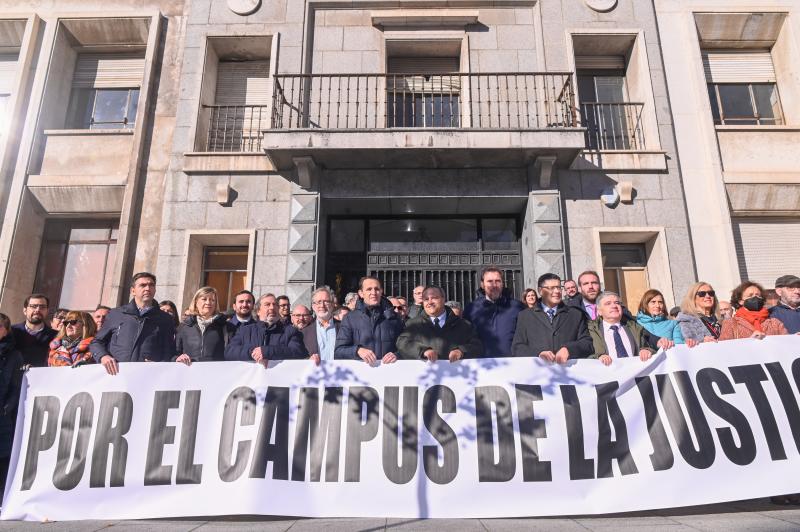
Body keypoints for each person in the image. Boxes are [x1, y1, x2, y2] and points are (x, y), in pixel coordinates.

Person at [90, 272, 177, 375]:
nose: (147, 288)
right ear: (133, 290)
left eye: (151, 285)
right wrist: (103, 356)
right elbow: (97, 342)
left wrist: (158, 365)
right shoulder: (116, 314)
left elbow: (169, 352)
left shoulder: (165, 319)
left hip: (148, 377)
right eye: (143, 285)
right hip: (116, 375)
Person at [511, 273, 592, 362]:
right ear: (540, 291)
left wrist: (569, 349)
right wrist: (539, 353)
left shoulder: (575, 314)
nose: (557, 291)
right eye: (552, 288)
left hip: (568, 371)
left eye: (558, 287)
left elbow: (587, 343)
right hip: (538, 372)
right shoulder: (525, 316)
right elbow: (517, 347)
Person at [397, 286, 482, 361]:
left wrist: (461, 351)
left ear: (443, 299)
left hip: (456, 376)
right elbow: (402, 343)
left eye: (434, 298)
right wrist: (423, 351)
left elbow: (477, 345)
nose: (430, 302)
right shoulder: (412, 324)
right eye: (426, 299)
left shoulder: (464, 325)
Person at [334, 276, 403, 364]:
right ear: (361, 293)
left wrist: (397, 355)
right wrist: (357, 351)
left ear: (381, 291)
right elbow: (339, 351)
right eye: (369, 289)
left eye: (377, 289)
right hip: (360, 374)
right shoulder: (350, 318)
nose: (373, 292)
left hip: (388, 373)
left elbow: (406, 347)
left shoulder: (394, 317)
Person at [225, 293, 306, 364]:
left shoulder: (290, 331)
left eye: (275, 305)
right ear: (258, 311)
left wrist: (267, 351)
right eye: (267, 304)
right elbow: (229, 352)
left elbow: (297, 352)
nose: (272, 307)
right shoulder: (245, 330)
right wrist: (252, 352)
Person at [464, 267, 525, 357]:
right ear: (482, 284)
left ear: (502, 284)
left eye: (498, 281)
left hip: (512, 363)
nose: (494, 285)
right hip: (481, 364)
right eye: (489, 281)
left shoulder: (517, 307)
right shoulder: (471, 308)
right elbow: (466, 338)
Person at [590, 292, 656, 366]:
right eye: (608, 303)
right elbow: (584, 358)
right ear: (599, 311)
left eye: (617, 303)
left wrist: (646, 351)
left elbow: (651, 347)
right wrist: (598, 357)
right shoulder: (591, 331)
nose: (614, 306)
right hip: (607, 375)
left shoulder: (635, 328)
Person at [0, 313, 23, 504]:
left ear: (6, 330)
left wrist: (8, 407)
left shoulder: (14, 355)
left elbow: (16, 385)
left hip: (2, 414)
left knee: (2, 458)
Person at [175, 287, 228, 365]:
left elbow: (230, 353)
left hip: (216, 372)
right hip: (189, 372)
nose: (208, 302)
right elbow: (174, 352)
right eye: (204, 299)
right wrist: (177, 358)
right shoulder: (184, 326)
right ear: (196, 302)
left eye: (212, 300)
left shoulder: (224, 326)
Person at [719, 281, 787, 340]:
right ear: (740, 301)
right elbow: (725, 347)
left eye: (758, 295)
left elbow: (785, 342)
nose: (755, 297)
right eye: (750, 295)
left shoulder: (774, 323)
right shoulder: (731, 323)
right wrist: (750, 342)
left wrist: (795, 338)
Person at [11, 294, 57, 368]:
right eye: (33, 306)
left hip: (41, 378)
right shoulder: (10, 332)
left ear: (47, 311)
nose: (38, 310)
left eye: (42, 307)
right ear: (25, 310)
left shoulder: (56, 336)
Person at [304, 287, 340, 365]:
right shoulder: (304, 332)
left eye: (326, 301)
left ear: (332, 305)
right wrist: (307, 360)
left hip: (340, 374)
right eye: (318, 302)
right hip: (316, 374)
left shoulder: (344, 327)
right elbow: (299, 356)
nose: (322, 305)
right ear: (313, 306)